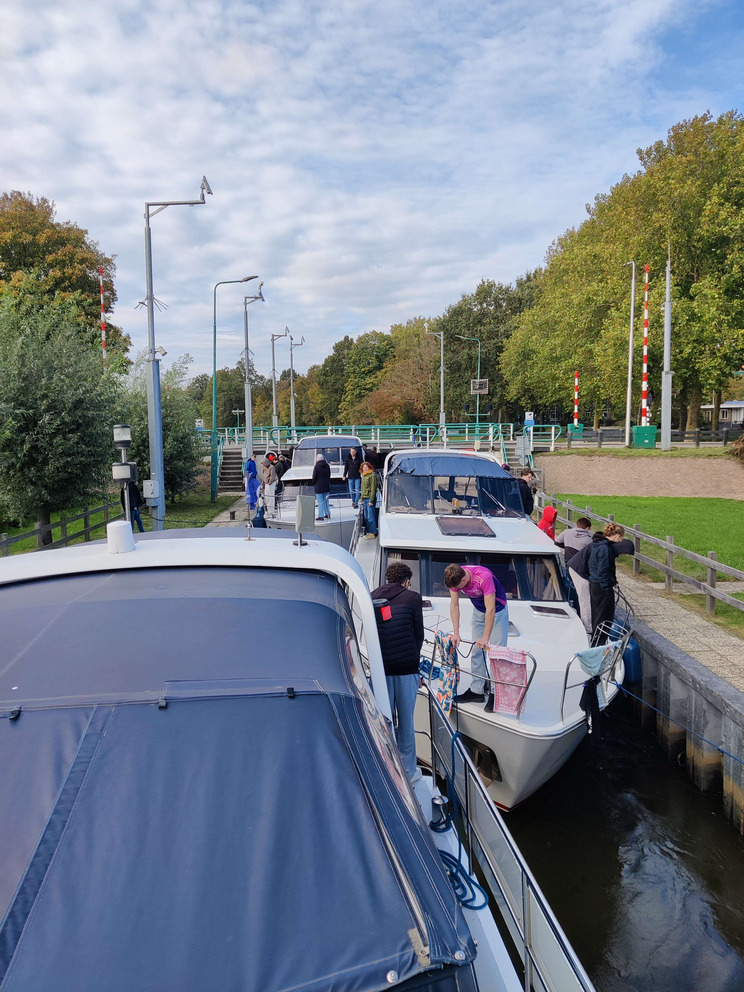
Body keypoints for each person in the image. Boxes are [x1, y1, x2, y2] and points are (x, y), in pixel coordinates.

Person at [371, 561, 424, 781]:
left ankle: (385, 768)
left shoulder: (372, 595)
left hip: (380, 668)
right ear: (406, 582)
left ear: (387, 579)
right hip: (406, 668)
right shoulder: (413, 598)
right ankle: (409, 772)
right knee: (406, 722)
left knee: (384, 720)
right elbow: (418, 634)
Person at [444, 563, 509, 704]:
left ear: (463, 580)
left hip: (496, 611)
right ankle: (476, 691)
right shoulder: (454, 577)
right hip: (479, 611)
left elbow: (490, 609)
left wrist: (485, 637)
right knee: (476, 651)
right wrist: (456, 632)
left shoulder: (483, 577)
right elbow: (454, 605)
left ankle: (495, 694)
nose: (458, 590)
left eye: (459, 587)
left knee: (497, 654)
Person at [578, 523, 635, 642]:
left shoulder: (597, 544)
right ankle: (599, 643)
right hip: (601, 586)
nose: (620, 542)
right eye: (620, 539)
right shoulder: (605, 548)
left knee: (597, 615)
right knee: (604, 617)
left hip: (594, 584)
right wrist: (607, 587)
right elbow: (602, 570)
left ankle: (596, 640)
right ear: (617, 536)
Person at [555, 517, 593, 635]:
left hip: (568, 564)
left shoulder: (567, 532)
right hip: (580, 569)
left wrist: (567, 547)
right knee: (582, 593)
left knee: (569, 585)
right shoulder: (588, 540)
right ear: (587, 528)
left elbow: (557, 542)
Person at [360, 461, 378, 540]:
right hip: (365, 498)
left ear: (369, 467)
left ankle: (373, 532)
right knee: (366, 517)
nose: (365, 469)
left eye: (366, 467)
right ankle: (369, 532)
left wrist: (371, 500)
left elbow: (373, 489)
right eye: (364, 468)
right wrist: (361, 499)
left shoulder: (372, 476)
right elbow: (363, 489)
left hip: (370, 499)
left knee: (371, 517)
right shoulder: (364, 476)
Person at [311, 452, 331, 520]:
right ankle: (328, 514)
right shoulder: (327, 466)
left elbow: (314, 477)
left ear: (317, 459)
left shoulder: (316, 466)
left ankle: (321, 516)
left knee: (320, 502)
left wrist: (314, 483)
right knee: (326, 501)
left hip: (319, 487)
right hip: (326, 486)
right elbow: (329, 475)